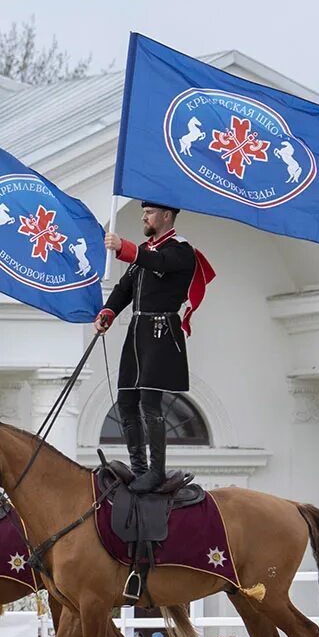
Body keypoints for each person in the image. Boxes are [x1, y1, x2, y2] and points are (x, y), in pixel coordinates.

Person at [95, 203, 215, 494]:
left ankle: (156, 471)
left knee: (149, 402)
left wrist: (123, 246)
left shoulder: (179, 250)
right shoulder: (146, 252)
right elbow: (125, 288)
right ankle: (139, 468)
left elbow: (159, 263)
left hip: (161, 333)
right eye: (144, 212)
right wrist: (108, 312)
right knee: (126, 400)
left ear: (165, 216)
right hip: (138, 332)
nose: (143, 217)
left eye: (149, 213)